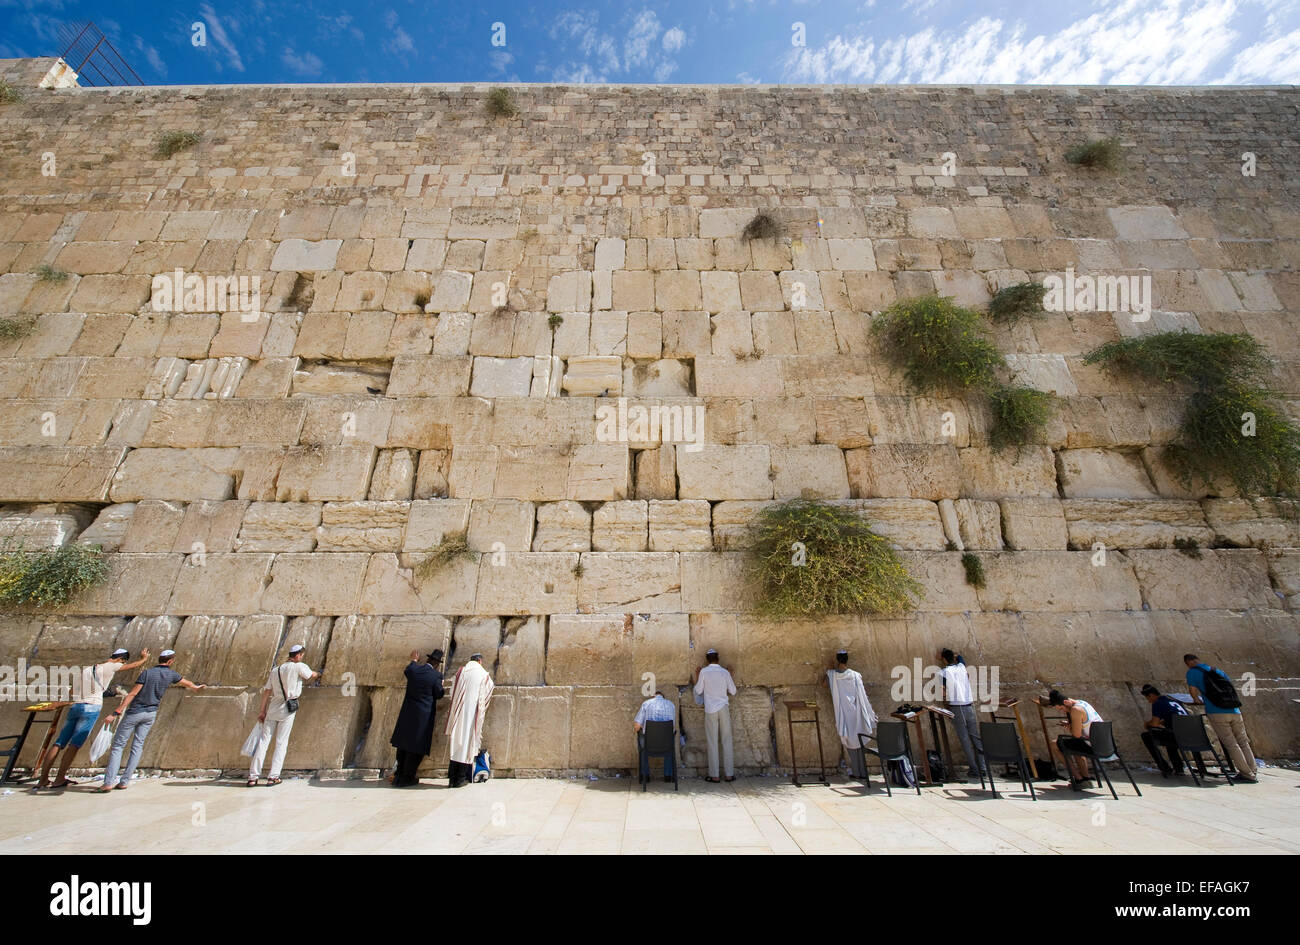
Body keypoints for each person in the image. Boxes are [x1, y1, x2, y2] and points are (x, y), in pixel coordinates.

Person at [36, 646, 150, 791]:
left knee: (58, 743)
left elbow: (72, 690)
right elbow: (131, 666)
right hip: (91, 707)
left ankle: (43, 779)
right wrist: (143, 659)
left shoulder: (88, 669)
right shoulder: (112, 666)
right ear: (121, 659)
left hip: (75, 706)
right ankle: (59, 778)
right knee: (74, 744)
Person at [96, 650, 205, 793]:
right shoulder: (170, 675)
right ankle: (125, 781)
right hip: (150, 714)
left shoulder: (147, 673)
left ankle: (108, 782)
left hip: (135, 712)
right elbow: (186, 682)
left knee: (118, 746)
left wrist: (117, 712)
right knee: (137, 746)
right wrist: (196, 687)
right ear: (170, 662)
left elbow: (133, 693)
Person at [247, 644, 320, 787]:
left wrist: (262, 711)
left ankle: (253, 776)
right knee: (281, 742)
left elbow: (267, 691)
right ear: (298, 655)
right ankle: (273, 776)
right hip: (288, 708)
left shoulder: (275, 670)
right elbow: (310, 675)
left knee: (263, 741)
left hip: (273, 707)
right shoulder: (299, 666)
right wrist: (319, 673)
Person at [1184, 654, 1257, 783]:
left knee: (1231, 743)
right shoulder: (1216, 670)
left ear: (1188, 662)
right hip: (1234, 709)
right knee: (1243, 741)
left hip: (1216, 710)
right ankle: (1253, 770)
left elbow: (1193, 691)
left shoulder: (1192, 672)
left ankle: (1247, 774)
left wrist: (1196, 700)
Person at [390, 648, 445, 787]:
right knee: (416, 748)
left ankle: (399, 775)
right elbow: (439, 694)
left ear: (427, 660)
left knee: (403, 745)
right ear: (437, 663)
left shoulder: (414, 670)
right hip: (423, 717)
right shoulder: (436, 676)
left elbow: (408, 669)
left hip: (407, 713)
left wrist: (414, 660)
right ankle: (407, 777)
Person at [937, 648, 987, 782]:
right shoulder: (961, 667)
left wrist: (946, 705)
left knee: (964, 739)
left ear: (943, 658)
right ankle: (983, 767)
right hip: (969, 705)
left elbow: (943, 690)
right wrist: (954, 655)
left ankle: (975, 769)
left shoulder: (943, 672)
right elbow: (960, 657)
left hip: (957, 706)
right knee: (975, 737)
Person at [825, 650, 876, 779]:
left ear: (837, 660)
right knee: (859, 742)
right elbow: (862, 695)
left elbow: (823, 684)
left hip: (844, 713)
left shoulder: (832, 675)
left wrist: (830, 669)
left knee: (850, 742)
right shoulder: (855, 675)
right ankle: (863, 772)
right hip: (857, 712)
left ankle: (856, 771)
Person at [445, 653, 493, 788]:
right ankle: (460, 778)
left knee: (456, 743)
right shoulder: (483, 674)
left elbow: (452, 691)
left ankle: (452, 777)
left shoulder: (461, 671)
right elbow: (489, 689)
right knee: (467, 745)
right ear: (480, 661)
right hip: (472, 714)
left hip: (458, 713)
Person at [1044, 689, 1103, 789]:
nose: (1063, 711)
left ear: (1066, 702)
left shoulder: (1075, 710)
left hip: (1093, 746)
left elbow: (1076, 735)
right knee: (1074, 745)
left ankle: (1078, 778)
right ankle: (1085, 778)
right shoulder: (1083, 703)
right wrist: (1072, 724)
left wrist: (1070, 727)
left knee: (1055, 744)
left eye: (1061, 709)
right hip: (1104, 743)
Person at [692, 648, 736, 783]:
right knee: (727, 740)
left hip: (710, 709)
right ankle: (729, 774)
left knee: (712, 742)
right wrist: (730, 675)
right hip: (723, 707)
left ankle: (714, 775)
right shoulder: (724, 672)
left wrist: (697, 676)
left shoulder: (704, 672)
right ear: (718, 658)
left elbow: (698, 690)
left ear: (707, 659)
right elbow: (733, 691)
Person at [1139, 683, 1188, 777]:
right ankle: (1178, 768)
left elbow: (1154, 724)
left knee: (1146, 736)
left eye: (1148, 698)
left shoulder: (1157, 703)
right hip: (1191, 735)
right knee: (1168, 735)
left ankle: (1164, 767)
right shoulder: (1173, 700)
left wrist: (1147, 724)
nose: (1149, 701)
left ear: (1152, 695)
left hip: (1176, 736)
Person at [633, 689, 677, 782]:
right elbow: (673, 726)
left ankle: (645, 775)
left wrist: (641, 728)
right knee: (670, 740)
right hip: (666, 744)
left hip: (649, 744)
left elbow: (636, 725)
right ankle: (668, 775)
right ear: (663, 697)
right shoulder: (671, 705)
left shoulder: (646, 704)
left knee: (641, 741)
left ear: (654, 696)